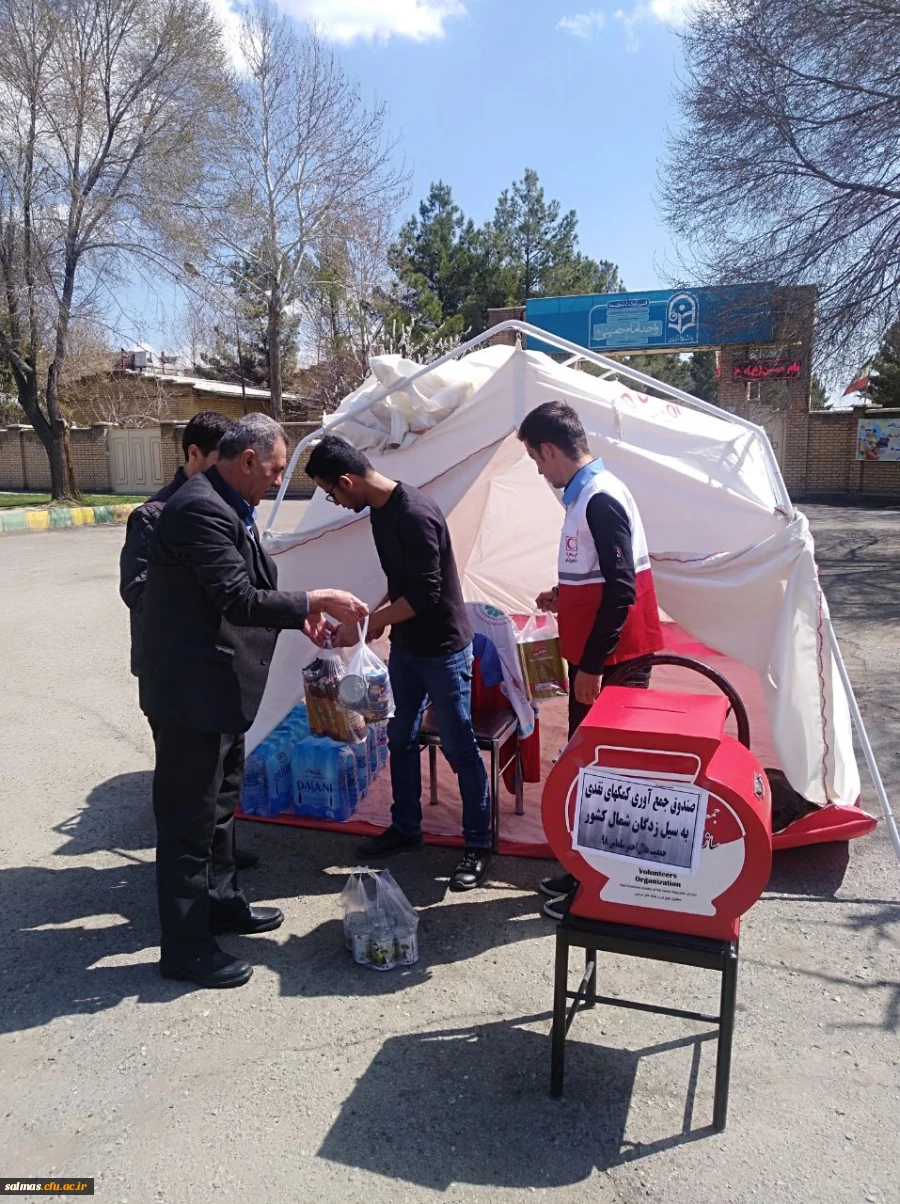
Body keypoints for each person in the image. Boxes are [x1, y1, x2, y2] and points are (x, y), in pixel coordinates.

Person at [140, 413, 368, 989]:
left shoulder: (228, 505)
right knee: (188, 823)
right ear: (246, 460)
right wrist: (317, 597)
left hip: (220, 688)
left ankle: (221, 905)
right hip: (191, 694)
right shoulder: (197, 509)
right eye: (272, 468)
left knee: (219, 809)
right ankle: (186, 946)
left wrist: (302, 614)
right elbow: (238, 598)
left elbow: (254, 587)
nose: (275, 481)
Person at [305, 434, 494, 891]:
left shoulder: (414, 512)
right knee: (400, 737)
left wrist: (366, 624)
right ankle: (406, 827)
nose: (335, 501)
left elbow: (427, 594)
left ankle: (478, 844)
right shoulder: (381, 511)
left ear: (347, 481)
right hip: (408, 650)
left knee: (459, 747)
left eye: (332, 493)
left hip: (445, 650)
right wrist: (365, 616)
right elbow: (401, 583)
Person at [517, 401, 665, 919]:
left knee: (608, 773)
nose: (540, 471)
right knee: (591, 768)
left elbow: (622, 590)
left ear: (550, 449)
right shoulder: (585, 496)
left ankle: (600, 891)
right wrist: (567, 594)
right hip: (598, 656)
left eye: (537, 460)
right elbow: (603, 575)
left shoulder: (599, 498)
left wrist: (593, 667)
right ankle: (584, 871)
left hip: (614, 660)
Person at [119, 412, 257, 873]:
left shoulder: (229, 506)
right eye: (222, 459)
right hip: (180, 673)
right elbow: (138, 590)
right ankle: (192, 889)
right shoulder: (156, 515)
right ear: (193, 454)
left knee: (223, 783)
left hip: (222, 668)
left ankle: (221, 869)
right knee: (191, 791)